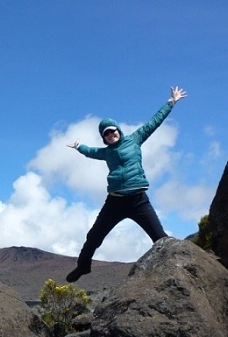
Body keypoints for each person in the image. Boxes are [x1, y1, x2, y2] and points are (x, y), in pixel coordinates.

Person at [65, 86, 187, 283]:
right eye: (106, 134)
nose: (110, 134)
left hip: (138, 200)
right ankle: (82, 267)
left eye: (112, 131)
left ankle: (179, 273)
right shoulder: (106, 152)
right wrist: (79, 147)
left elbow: (154, 123)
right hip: (114, 202)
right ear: (103, 137)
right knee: (93, 237)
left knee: (161, 238)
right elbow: (91, 151)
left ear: (118, 130)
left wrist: (171, 102)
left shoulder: (135, 139)